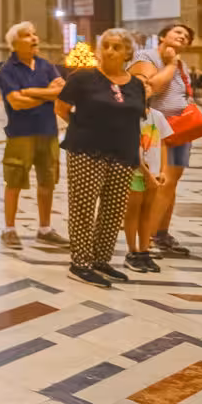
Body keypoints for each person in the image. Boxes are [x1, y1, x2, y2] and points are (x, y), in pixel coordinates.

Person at [56, 28, 147, 288]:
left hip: (123, 152)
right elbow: (61, 108)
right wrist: (84, 129)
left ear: (127, 52)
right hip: (86, 150)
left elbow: (137, 118)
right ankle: (80, 263)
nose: (109, 51)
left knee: (113, 210)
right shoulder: (83, 78)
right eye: (105, 45)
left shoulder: (136, 84)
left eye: (116, 47)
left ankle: (101, 260)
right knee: (84, 208)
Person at [0, 21, 68, 249]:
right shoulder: (8, 70)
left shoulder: (46, 66)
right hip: (20, 133)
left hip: (48, 131)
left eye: (34, 34)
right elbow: (16, 103)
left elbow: (60, 90)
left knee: (47, 180)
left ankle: (45, 228)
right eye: (27, 35)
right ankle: (9, 229)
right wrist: (47, 95)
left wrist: (29, 92)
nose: (34, 38)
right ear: (14, 43)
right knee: (14, 179)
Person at [129, 23, 195, 258]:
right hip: (153, 129)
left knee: (170, 184)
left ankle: (161, 233)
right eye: (178, 32)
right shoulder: (147, 57)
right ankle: (146, 238)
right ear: (163, 36)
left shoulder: (181, 63)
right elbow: (150, 87)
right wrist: (170, 64)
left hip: (179, 128)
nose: (182, 36)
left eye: (186, 36)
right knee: (158, 183)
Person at [125, 95, 168, 274]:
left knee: (147, 212)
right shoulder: (128, 117)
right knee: (133, 212)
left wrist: (163, 170)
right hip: (134, 172)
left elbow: (164, 144)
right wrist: (146, 174)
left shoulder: (157, 116)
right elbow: (130, 148)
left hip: (154, 173)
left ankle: (144, 250)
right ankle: (132, 251)